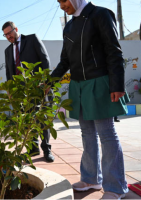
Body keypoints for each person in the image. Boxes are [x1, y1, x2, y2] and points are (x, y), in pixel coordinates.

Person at [52, 0, 129, 199]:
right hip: (78, 86)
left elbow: (114, 50)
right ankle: (91, 178)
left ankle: (115, 187)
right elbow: (65, 61)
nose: (62, 5)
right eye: (59, 2)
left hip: (99, 82)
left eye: (64, 0)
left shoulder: (101, 14)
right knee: (87, 134)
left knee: (106, 134)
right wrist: (48, 82)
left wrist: (117, 84)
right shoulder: (69, 26)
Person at [2, 21, 55, 162]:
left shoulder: (32, 39)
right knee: (27, 120)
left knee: (43, 120)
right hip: (21, 93)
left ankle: (47, 150)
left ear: (16, 29)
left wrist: (45, 81)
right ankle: (33, 149)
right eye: (5, 35)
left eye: (9, 33)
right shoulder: (7, 51)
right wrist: (10, 90)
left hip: (38, 87)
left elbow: (45, 59)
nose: (8, 36)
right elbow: (9, 72)